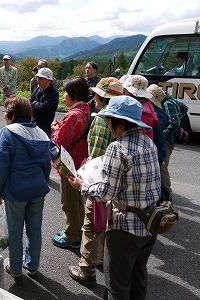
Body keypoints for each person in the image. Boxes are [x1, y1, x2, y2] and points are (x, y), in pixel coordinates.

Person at [68, 95, 161, 300]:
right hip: (149, 224)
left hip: (124, 229)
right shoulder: (148, 142)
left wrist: (82, 186)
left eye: (109, 119)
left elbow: (106, 193)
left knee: (117, 285)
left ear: (118, 122)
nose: (108, 124)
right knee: (138, 277)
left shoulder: (117, 148)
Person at [68, 77, 123, 288]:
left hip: (99, 182)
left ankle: (86, 270)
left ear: (102, 97)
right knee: (105, 223)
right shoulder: (122, 118)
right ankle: (100, 259)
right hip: (116, 183)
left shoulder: (101, 119)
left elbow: (98, 156)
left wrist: (85, 180)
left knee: (91, 225)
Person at [0, 96, 51, 278]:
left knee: (15, 231)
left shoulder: (8, 132)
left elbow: (0, 165)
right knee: (34, 229)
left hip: (16, 191)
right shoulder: (41, 133)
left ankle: (15, 268)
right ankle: (32, 265)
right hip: (38, 189)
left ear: (11, 114)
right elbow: (46, 165)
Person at [51, 77, 90, 249]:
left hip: (69, 162)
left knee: (68, 202)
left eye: (66, 92)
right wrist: (62, 127)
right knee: (77, 200)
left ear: (74, 95)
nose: (64, 96)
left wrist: (55, 129)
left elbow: (61, 140)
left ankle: (71, 235)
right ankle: (78, 230)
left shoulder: (73, 115)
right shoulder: (85, 109)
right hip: (80, 160)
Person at [146, 84, 188, 202]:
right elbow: (184, 107)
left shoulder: (167, 104)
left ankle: (166, 193)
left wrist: (163, 133)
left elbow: (174, 123)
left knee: (162, 166)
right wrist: (179, 116)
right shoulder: (171, 100)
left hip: (167, 141)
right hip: (169, 140)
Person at [122, 75, 158, 140]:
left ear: (132, 94)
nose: (123, 93)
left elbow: (136, 139)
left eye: (125, 91)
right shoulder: (144, 108)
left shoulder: (142, 114)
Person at [29, 67, 59, 137]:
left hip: (45, 128)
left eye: (40, 78)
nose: (38, 80)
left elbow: (44, 107)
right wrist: (36, 104)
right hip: (33, 124)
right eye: (37, 78)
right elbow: (30, 101)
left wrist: (34, 103)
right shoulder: (38, 89)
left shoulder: (54, 93)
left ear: (48, 80)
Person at [146, 84, 168, 166]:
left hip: (153, 153)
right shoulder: (160, 113)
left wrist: (160, 158)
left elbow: (159, 138)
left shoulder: (155, 115)